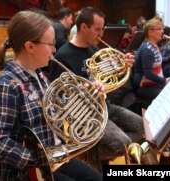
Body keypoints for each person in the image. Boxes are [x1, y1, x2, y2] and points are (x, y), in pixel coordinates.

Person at [0, 9, 102, 181]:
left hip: (51, 159)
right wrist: (39, 159)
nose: (55, 49)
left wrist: (87, 97)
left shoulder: (38, 76)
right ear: (30, 46)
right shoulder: (4, 86)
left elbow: (56, 111)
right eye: (51, 44)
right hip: (25, 172)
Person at [49, 6, 144, 168]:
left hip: (104, 106)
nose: (101, 34)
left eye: (102, 29)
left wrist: (123, 65)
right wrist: (84, 90)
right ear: (84, 27)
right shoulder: (63, 56)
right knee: (124, 144)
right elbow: (58, 98)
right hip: (86, 116)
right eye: (98, 30)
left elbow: (106, 77)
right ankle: (85, 154)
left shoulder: (93, 49)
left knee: (142, 127)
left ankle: (93, 153)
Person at [132, 18, 170, 108]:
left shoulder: (152, 45)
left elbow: (155, 61)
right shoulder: (147, 49)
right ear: (150, 32)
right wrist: (164, 81)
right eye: (159, 29)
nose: (162, 31)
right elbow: (148, 73)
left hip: (152, 83)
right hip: (143, 87)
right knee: (167, 96)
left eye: (162, 28)